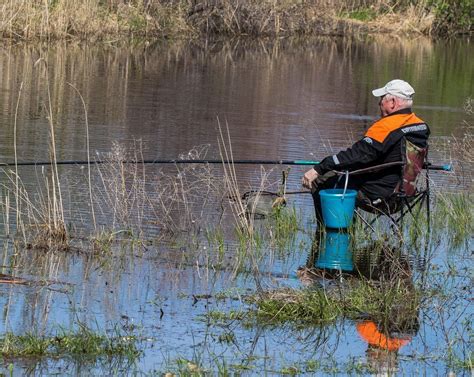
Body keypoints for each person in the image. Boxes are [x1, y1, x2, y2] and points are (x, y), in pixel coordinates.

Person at [302, 79, 430, 228]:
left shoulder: (386, 127)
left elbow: (356, 155)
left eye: (382, 99)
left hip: (379, 198)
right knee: (347, 174)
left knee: (322, 180)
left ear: (393, 102)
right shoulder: (421, 127)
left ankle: (329, 233)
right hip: (405, 197)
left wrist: (319, 168)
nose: (379, 103)